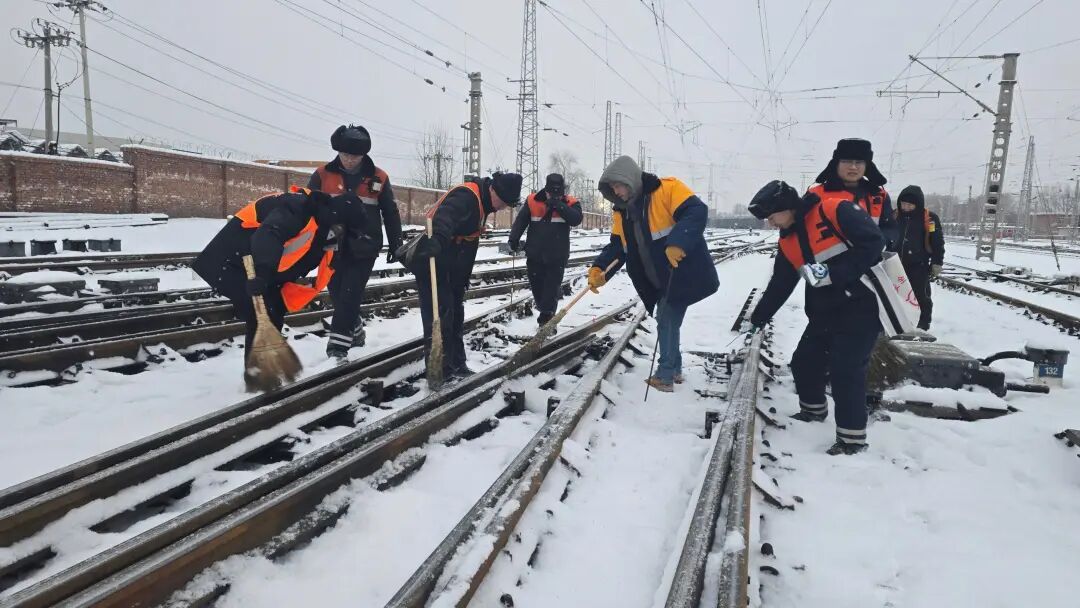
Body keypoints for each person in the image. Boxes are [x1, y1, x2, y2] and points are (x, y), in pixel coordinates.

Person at [747, 180, 884, 455]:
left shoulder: (834, 210)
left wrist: (835, 274)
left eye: (772, 217)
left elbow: (874, 242)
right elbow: (781, 284)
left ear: (786, 208)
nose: (771, 224)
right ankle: (813, 412)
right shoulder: (788, 241)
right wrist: (759, 317)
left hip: (860, 308)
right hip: (824, 313)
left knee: (846, 371)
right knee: (804, 362)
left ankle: (851, 440)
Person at [192, 187, 365, 384]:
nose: (343, 237)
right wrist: (263, 274)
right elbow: (269, 234)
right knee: (260, 311)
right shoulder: (297, 207)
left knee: (273, 309)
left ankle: (264, 372)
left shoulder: (327, 230)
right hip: (232, 260)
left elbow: (307, 258)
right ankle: (259, 377)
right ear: (336, 218)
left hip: (265, 269)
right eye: (344, 230)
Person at [587, 155, 718, 393]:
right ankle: (674, 369)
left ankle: (666, 376)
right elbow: (618, 247)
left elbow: (696, 211)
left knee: (667, 320)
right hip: (656, 278)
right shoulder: (622, 212)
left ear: (629, 180)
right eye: (612, 188)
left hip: (681, 273)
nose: (616, 191)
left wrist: (678, 242)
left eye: (618, 185)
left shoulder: (667, 189)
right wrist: (600, 270)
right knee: (667, 321)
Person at [409, 172, 523, 379]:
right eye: (504, 202)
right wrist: (439, 239)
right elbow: (444, 218)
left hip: (453, 269)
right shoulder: (467, 196)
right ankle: (440, 371)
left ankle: (456, 364)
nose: (503, 207)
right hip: (434, 263)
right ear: (493, 190)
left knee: (455, 317)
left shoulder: (484, 201)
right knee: (441, 318)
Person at [308, 124, 403, 358]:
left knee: (350, 293)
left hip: (365, 246)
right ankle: (356, 329)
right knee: (338, 292)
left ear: (364, 155)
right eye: (346, 155)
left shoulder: (378, 178)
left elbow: (390, 212)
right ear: (338, 152)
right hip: (331, 245)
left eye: (355, 156)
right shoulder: (322, 175)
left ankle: (337, 349)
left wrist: (396, 244)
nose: (350, 160)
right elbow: (307, 208)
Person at [507, 173, 583, 325]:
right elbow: (521, 221)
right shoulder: (532, 201)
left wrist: (558, 205)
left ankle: (546, 320)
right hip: (535, 253)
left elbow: (576, 219)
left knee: (551, 288)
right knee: (537, 287)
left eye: (558, 193)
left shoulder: (570, 203)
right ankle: (545, 310)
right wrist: (513, 239)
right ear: (546, 190)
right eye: (552, 194)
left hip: (557, 256)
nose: (554, 196)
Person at [807, 138, 897, 249]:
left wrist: (878, 244)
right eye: (847, 161)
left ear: (867, 166)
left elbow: (889, 228)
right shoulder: (815, 195)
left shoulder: (879, 196)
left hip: (869, 263)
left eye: (859, 162)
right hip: (827, 264)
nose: (853, 167)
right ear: (836, 164)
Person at [894, 185, 945, 330]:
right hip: (894, 264)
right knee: (896, 295)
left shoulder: (930, 219)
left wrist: (937, 262)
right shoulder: (895, 215)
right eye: (903, 204)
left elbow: (937, 241)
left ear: (918, 204)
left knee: (920, 295)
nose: (906, 207)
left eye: (910, 205)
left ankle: (923, 325)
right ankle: (897, 322)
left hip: (918, 264)